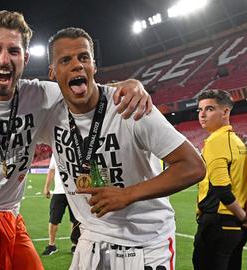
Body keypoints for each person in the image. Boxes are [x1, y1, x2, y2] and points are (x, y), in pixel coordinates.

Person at [0, 10, 153, 270]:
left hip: (11, 222)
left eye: (13, 51)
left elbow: (88, 91)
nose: (4, 59)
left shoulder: (41, 95)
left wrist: (130, 83)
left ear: (25, 58)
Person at [46, 27, 206, 270]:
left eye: (84, 57)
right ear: (52, 73)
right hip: (91, 241)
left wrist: (127, 194)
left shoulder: (130, 106)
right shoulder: (47, 112)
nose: (77, 65)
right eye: (65, 60)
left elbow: (193, 166)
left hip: (145, 242)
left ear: (94, 67)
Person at [192, 89, 247, 270]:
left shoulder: (216, 142)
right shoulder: (238, 142)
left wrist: (244, 217)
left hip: (217, 224)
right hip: (235, 227)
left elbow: (221, 189)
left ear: (225, 112)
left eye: (209, 109)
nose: (202, 115)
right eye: (200, 110)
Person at [42, 156, 80, 256]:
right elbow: (51, 171)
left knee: (75, 220)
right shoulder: (55, 153)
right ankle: (51, 245)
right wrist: (46, 187)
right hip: (59, 191)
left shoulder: (76, 151)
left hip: (75, 192)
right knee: (53, 219)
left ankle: (75, 245)